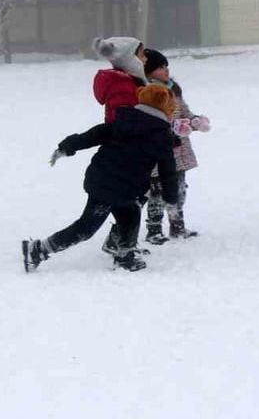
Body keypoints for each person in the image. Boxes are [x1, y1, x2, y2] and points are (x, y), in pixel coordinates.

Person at [21, 84, 181, 273]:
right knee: (87, 227)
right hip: (112, 187)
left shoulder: (124, 121)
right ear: (165, 107)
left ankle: (125, 254)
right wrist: (171, 198)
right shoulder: (161, 137)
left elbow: (93, 135)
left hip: (105, 180)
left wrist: (67, 146)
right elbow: (168, 171)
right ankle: (38, 249)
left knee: (130, 215)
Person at [137, 49, 210, 243]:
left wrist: (194, 121)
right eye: (160, 67)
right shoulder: (147, 91)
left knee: (179, 186)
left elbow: (183, 111)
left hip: (179, 148)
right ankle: (154, 229)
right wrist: (173, 127)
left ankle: (177, 225)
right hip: (158, 148)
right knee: (156, 190)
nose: (165, 70)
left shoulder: (173, 88)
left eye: (166, 66)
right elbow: (149, 119)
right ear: (148, 70)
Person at [92, 36, 147, 123]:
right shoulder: (122, 87)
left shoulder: (131, 82)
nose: (146, 59)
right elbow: (125, 125)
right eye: (142, 55)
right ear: (131, 59)